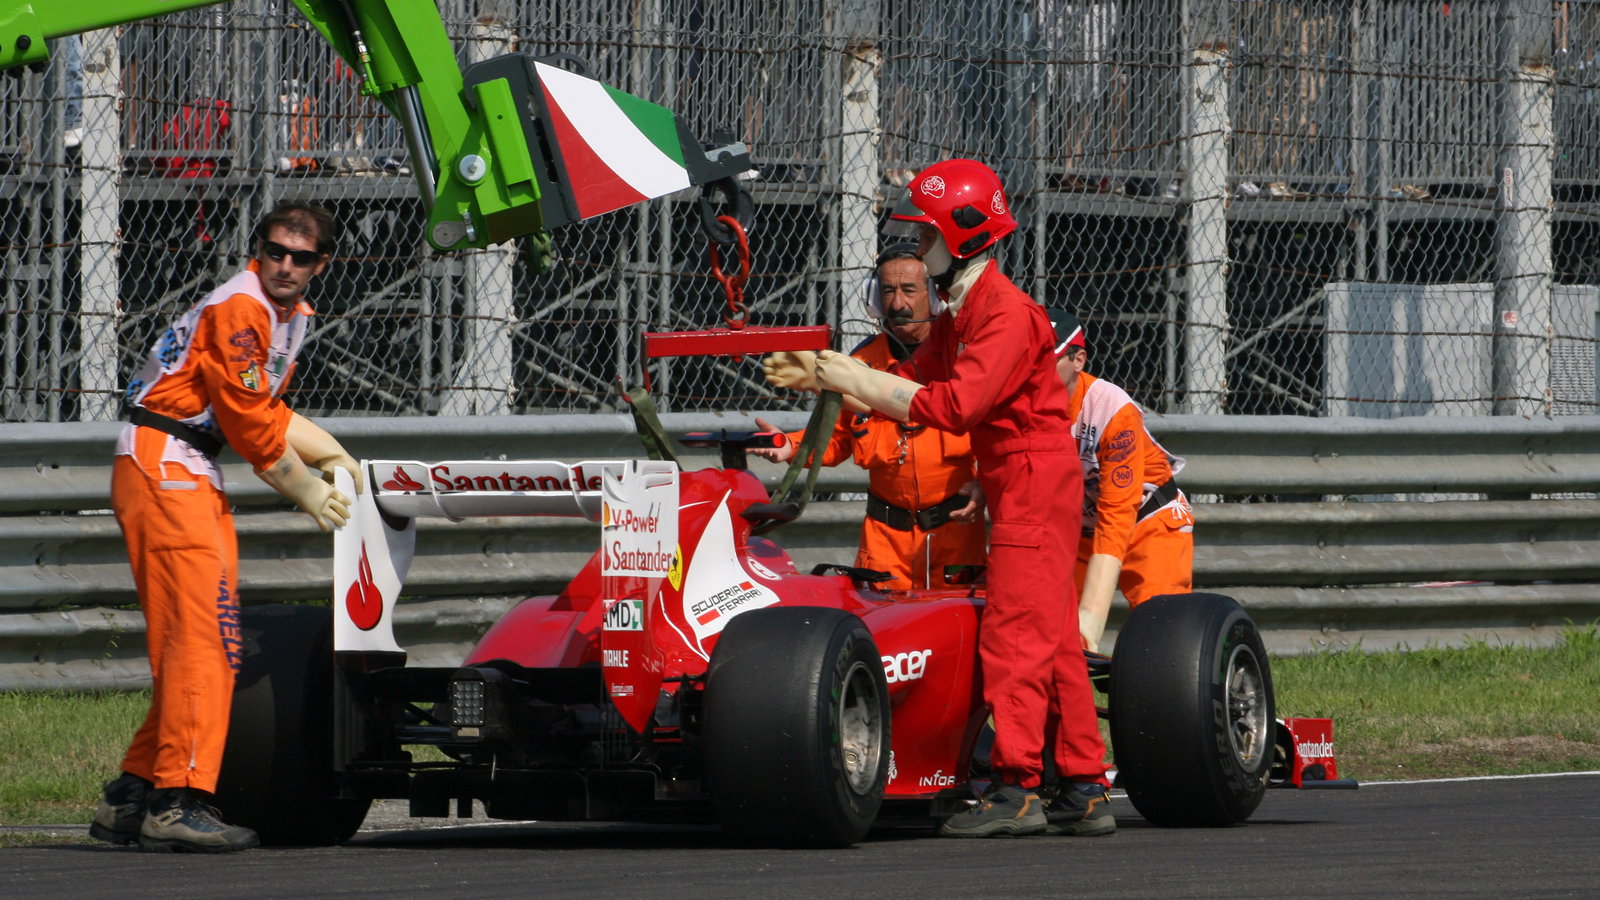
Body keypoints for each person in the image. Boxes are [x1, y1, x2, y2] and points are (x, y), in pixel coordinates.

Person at [765, 158, 1112, 838]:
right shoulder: (970, 306)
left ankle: (1018, 788)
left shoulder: (1004, 313)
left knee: (1012, 634)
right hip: (1024, 479)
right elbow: (916, 368)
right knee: (1054, 640)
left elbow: (954, 405)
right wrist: (829, 376)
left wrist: (856, 383)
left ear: (959, 235)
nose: (919, 253)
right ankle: (1083, 785)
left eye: (926, 237)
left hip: (1030, 481)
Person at [93, 200, 362, 853]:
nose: (285, 266)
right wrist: (304, 486)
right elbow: (244, 417)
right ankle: (177, 800)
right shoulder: (243, 309)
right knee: (205, 641)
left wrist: (328, 450)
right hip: (168, 465)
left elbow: (260, 404)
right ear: (258, 250)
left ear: (321, 264)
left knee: (211, 640)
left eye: (300, 257)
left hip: (184, 465)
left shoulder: (284, 313)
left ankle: (134, 794)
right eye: (275, 251)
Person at [750, 247, 985, 590]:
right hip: (885, 542)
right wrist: (790, 447)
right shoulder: (860, 363)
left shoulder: (961, 357)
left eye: (909, 290)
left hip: (957, 536)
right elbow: (837, 438)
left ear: (934, 295)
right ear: (875, 297)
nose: (898, 303)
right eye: (888, 291)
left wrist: (988, 482)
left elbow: (995, 433)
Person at [1048, 309, 1195, 652]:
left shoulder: (1110, 409)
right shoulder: (1019, 401)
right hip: (1079, 527)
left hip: (1147, 520)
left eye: (1047, 361)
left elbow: (1117, 513)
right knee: (1056, 631)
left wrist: (1094, 616)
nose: (1033, 373)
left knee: (1159, 632)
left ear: (1078, 360)